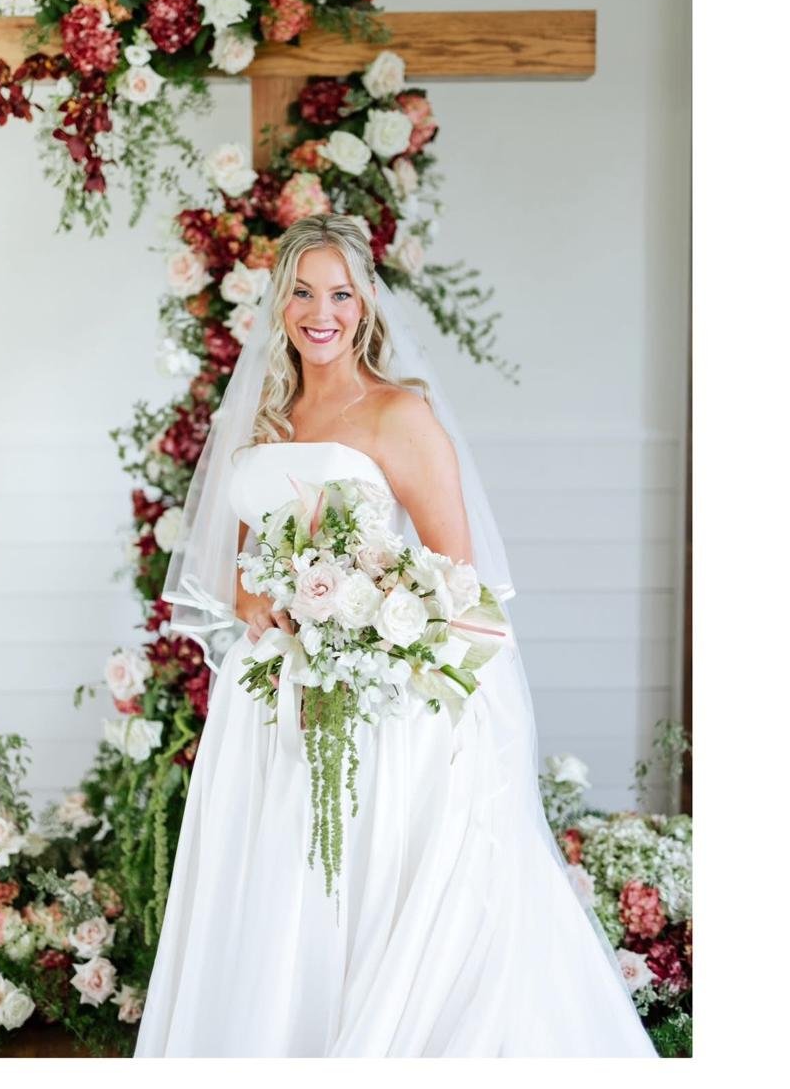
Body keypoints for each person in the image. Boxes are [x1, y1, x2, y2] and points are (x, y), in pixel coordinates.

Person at [133, 214, 659, 1057]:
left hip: (371, 705)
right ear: (278, 303)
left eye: (341, 293)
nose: (322, 313)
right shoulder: (266, 418)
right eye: (303, 292)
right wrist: (255, 597)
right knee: (274, 894)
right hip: (269, 706)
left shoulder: (397, 413)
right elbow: (244, 568)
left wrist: (366, 619)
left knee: (359, 893)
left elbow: (461, 582)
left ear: (368, 301)